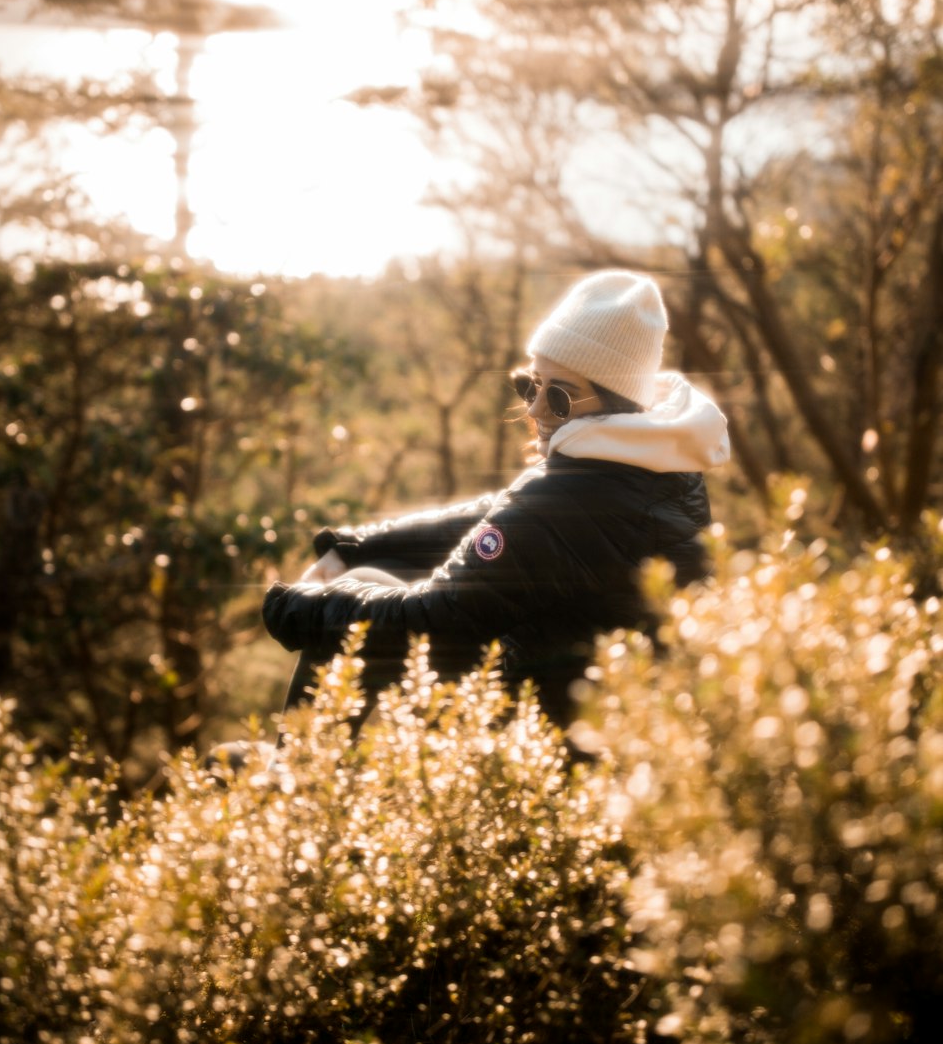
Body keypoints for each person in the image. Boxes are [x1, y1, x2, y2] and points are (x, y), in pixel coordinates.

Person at [262, 269, 729, 733]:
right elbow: (498, 512)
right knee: (369, 573)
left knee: (352, 620)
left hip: (548, 738)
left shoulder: (568, 497)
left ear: (616, 403)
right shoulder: (659, 460)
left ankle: (296, 788)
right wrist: (356, 545)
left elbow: (433, 622)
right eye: (530, 384)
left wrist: (302, 607)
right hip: (609, 712)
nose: (534, 408)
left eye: (560, 397)